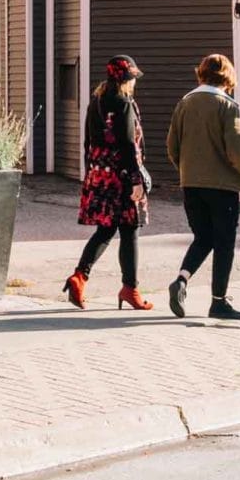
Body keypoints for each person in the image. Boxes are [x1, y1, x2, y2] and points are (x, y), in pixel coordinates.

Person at [165, 53, 240, 320]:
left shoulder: (185, 102)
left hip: (190, 183)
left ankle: (181, 279)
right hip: (222, 186)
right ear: (228, 77)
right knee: (224, 243)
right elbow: (236, 149)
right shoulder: (228, 106)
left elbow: (172, 145)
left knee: (203, 237)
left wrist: (186, 168)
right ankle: (219, 301)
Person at [66, 56, 153, 311]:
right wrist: (136, 180)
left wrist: (90, 173)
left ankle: (79, 277)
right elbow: (128, 145)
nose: (134, 83)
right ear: (125, 79)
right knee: (130, 230)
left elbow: (88, 143)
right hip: (123, 176)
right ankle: (130, 289)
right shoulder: (124, 104)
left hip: (100, 174)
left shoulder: (96, 103)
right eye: (132, 78)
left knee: (105, 229)